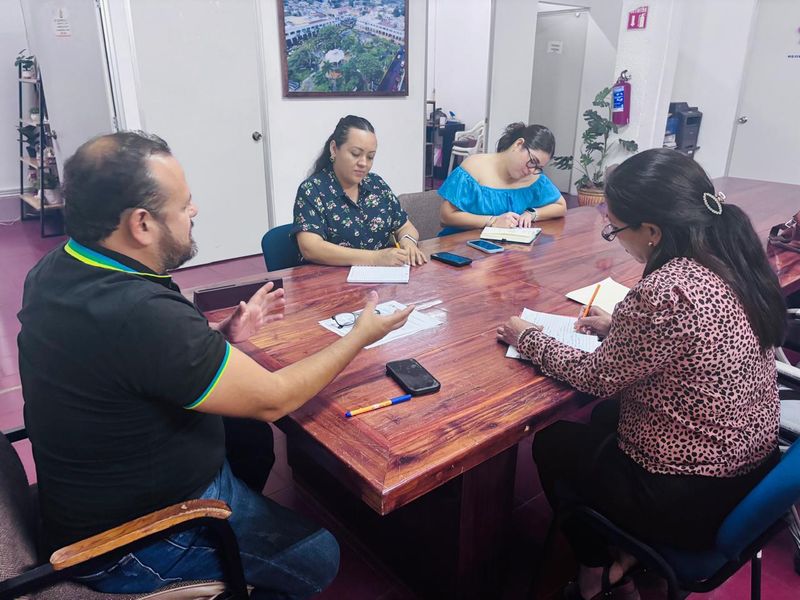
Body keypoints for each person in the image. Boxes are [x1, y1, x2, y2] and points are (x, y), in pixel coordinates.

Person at [17, 131, 413, 599]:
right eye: (183, 204)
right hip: (129, 542)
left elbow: (133, 359)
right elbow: (275, 398)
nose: (194, 211)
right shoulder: (141, 313)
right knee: (319, 555)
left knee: (249, 439)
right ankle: (216, 559)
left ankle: (241, 530)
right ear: (141, 224)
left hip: (97, 490)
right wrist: (361, 335)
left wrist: (220, 339)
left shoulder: (59, 268)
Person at [496, 148, 786, 600]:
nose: (614, 235)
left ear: (652, 231)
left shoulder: (666, 292)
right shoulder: (733, 256)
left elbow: (596, 377)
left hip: (693, 498)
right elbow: (702, 336)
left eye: (614, 228)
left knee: (553, 441)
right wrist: (621, 327)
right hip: (751, 470)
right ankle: (627, 549)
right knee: (604, 418)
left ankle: (596, 573)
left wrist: (527, 336)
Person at [293, 115, 427, 266]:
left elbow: (405, 226)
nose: (363, 163)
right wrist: (375, 258)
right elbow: (311, 248)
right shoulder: (313, 190)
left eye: (370, 157)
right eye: (355, 154)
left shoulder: (376, 185)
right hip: (331, 283)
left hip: (380, 281)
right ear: (334, 149)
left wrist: (408, 243)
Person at [438, 122, 567, 235]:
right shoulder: (474, 166)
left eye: (538, 167)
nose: (532, 170)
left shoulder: (534, 178)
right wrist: (492, 221)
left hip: (508, 251)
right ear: (518, 144)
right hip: (463, 246)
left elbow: (561, 206)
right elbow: (446, 216)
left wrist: (532, 214)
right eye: (533, 161)